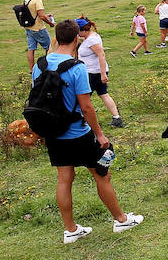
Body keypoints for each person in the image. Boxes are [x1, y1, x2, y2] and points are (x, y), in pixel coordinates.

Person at [34, 19, 143, 244]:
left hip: (54, 133)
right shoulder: (76, 67)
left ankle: (70, 230)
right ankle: (121, 220)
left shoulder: (40, 64)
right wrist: (100, 134)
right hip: (78, 133)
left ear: (57, 37)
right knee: (102, 174)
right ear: (76, 39)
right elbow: (86, 106)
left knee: (64, 179)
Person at [76, 17, 124, 128]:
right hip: (94, 72)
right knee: (103, 94)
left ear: (82, 30)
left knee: (84, 97)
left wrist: (103, 74)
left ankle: (83, 120)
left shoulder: (91, 40)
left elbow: (101, 55)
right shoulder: (91, 37)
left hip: (93, 73)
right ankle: (117, 118)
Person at [23, 0, 56, 70]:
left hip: (29, 28)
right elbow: (41, 16)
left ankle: (31, 69)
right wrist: (50, 23)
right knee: (49, 47)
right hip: (38, 28)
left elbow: (33, 14)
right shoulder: (37, 0)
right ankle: (48, 67)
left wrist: (46, 15)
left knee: (31, 49)